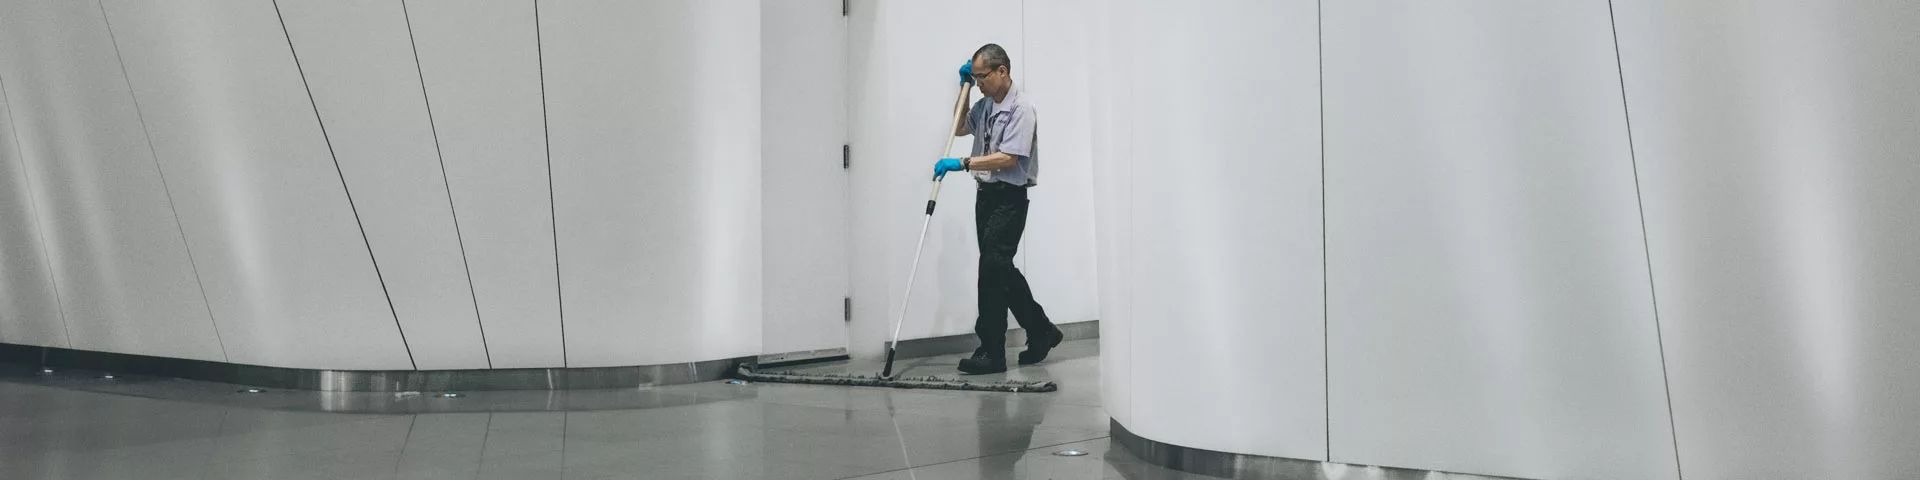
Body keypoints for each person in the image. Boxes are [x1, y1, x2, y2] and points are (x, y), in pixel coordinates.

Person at [931, 43, 1062, 375]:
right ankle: (1042, 330)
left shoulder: (1022, 108)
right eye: (975, 79)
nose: (980, 85)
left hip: (1009, 197)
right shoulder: (985, 103)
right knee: (1000, 270)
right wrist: (961, 89)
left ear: (1002, 71)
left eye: (982, 78)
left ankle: (992, 351)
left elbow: (1009, 158)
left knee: (991, 270)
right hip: (986, 196)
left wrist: (961, 162)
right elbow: (960, 128)